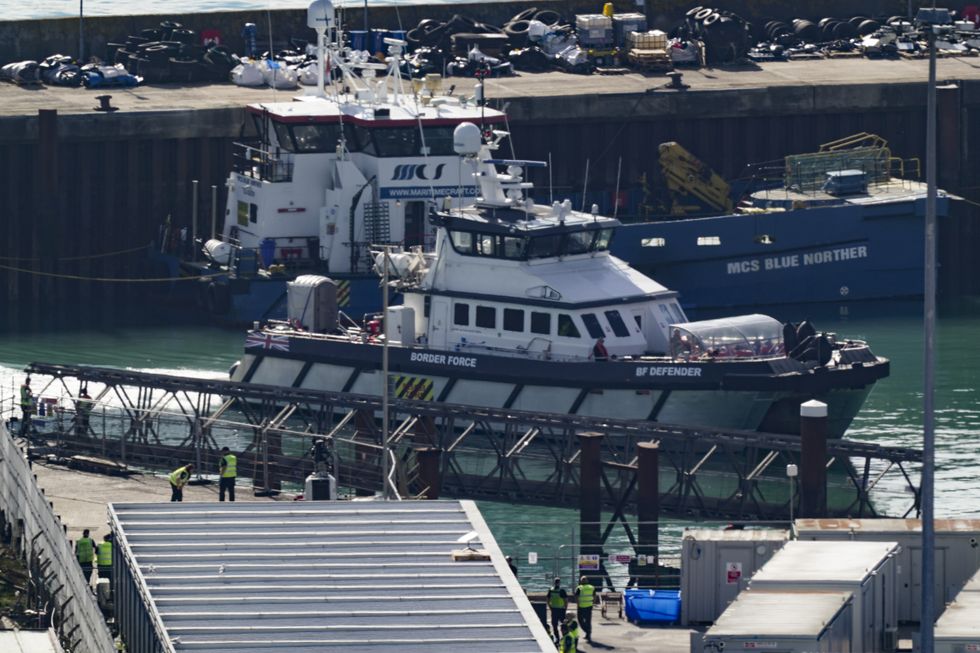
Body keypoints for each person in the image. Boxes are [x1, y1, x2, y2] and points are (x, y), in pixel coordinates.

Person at [575, 575, 596, 642]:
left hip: (581, 606)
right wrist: (593, 603)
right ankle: (588, 634)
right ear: (587, 581)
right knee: (588, 621)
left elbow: (576, 597)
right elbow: (595, 596)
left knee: (580, 620)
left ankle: (587, 631)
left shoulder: (579, 588)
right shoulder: (592, 587)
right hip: (589, 606)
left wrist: (578, 604)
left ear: (581, 581)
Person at [547, 577, 568, 642]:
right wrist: (565, 608)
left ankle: (557, 638)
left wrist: (550, 607)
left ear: (554, 583)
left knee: (554, 625)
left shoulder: (551, 590)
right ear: (559, 583)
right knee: (563, 624)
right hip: (561, 610)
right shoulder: (562, 590)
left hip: (554, 609)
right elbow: (566, 600)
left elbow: (548, 600)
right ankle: (564, 637)